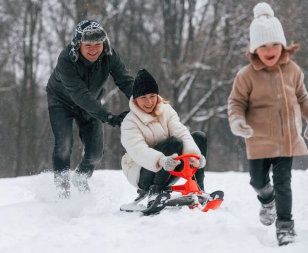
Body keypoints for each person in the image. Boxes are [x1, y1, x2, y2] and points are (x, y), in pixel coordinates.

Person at [228, 2, 308, 246]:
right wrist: (238, 120)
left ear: (282, 44)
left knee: (284, 183)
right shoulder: (246, 75)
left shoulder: (293, 70)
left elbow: (303, 98)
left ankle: (285, 226)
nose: (270, 49)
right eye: (263, 45)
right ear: (254, 48)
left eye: (274, 43)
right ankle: (267, 200)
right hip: (258, 140)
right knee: (257, 181)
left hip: (286, 139)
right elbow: (236, 103)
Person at [46, 20, 133, 198]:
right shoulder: (66, 59)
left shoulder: (110, 55)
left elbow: (125, 80)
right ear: (79, 44)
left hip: (90, 102)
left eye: (98, 44)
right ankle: (63, 192)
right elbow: (80, 95)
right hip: (61, 101)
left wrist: (143, 100)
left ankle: (81, 178)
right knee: (64, 145)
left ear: (104, 43)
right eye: (88, 45)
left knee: (95, 153)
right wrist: (108, 117)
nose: (93, 49)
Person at [120, 69, 207, 210]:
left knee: (198, 137)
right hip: (143, 172)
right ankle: (156, 191)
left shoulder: (166, 110)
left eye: (152, 96)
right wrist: (161, 160)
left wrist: (195, 156)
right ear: (135, 99)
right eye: (143, 98)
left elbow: (181, 132)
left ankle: (198, 189)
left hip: (170, 165)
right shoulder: (129, 122)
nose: (149, 102)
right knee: (174, 143)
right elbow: (138, 151)